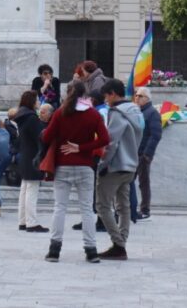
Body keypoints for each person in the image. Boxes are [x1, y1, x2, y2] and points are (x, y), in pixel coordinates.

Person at [40, 81, 110, 263]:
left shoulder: (60, 112)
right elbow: (105, 139)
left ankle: (54, 249)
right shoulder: (93, 114)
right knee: (87, 209)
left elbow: (47, 137)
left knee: (60, 208)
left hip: (62, 164)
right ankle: (91, 250)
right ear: (85, 94)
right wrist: (81, 147)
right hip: (85, 165)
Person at [95, 79, 143, 260]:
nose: (106, 101)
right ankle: (121, 240)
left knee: (102, 205)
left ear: (113, 94)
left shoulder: (117, 113)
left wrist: (102, 164)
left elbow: (111, 142)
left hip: (115, 166)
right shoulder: (136, 110)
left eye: (106, 96)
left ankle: (118, 244)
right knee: (123, 206)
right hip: (131, 164)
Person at [12, 91, 47, 232]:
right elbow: (40, 137)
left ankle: (23, 220)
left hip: (25, 155)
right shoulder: (32, 118)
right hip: (33, 157)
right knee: (31, 189)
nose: (39, 102)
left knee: (25, 189)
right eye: (37, 100)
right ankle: (31, 222)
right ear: (32, 101)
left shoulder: (22, 116)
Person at [133, 86, 163, 220]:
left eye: (140, 96)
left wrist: (147, 155)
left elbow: (155, 135)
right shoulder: (137, 111)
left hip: (142, 154)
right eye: (136, 95)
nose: (137, 98)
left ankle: (145, 209)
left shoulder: (152, 113)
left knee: (143, 182)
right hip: (133, 152)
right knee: (128, 181)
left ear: (147, 99)